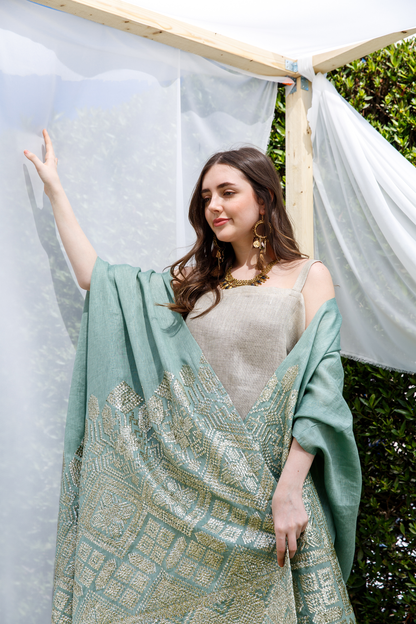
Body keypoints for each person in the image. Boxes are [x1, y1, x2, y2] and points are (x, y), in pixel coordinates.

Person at [25, 130, 361, 624]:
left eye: (227, 192)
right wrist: (55, 190)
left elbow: (322, 392)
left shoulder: (308, 277)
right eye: (206, 197)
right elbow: (98, 278)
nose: (213, 206)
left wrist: (290, 489)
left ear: (264, 198)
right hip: (192, 490)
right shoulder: (195, 283)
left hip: (269, 490)